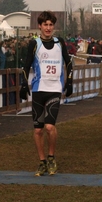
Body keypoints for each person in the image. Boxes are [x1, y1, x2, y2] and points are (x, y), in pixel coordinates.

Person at [20, 11, 73, 177]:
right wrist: (23, 84)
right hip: (38, 89)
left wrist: (69, 82)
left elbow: (69, 63)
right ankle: (42, 161)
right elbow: (26, 65)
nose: (48, 28)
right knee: (38, 130)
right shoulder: (34, 43)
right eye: (45, 25)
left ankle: (51, 157)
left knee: (50, 127)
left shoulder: (60, 42)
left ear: (53, 26)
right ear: (40, 26)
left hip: (54, 89)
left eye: (51, 25)